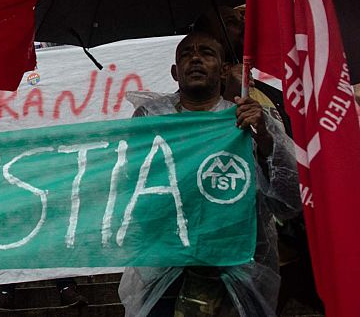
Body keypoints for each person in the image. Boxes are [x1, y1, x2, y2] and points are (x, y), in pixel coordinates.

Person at [118, 32, 300, 316]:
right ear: (175, 72)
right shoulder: (151, 119)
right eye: (186, 54)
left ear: (225, 69)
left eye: (206, 53)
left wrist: (263, 137)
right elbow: (133, 189)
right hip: (169, 269)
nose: (195, 59)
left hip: (237, 271)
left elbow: (288, 202)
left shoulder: (250, 118)